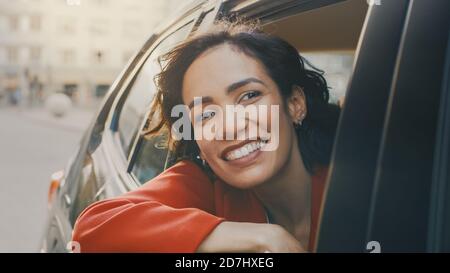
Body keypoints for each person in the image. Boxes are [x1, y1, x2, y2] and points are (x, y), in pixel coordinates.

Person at [72, 20, 340, 253]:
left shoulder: (366, 182)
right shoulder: (207, 183)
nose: (230, 127)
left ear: (294, 103)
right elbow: (91, 230)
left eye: (249, 96)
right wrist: (254, 238)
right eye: (205, 115)